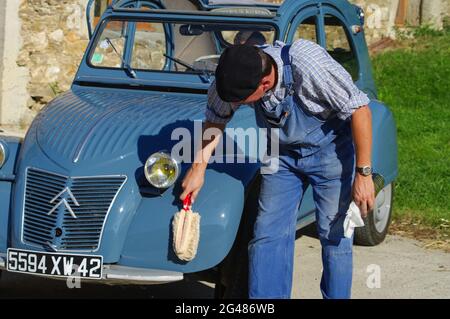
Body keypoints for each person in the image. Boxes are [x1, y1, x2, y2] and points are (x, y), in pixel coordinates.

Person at [180, 39, 375, 299]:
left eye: (243, 100)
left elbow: (360, 109)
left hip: (330, 151)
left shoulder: (308, 63)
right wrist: (197, 170)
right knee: (267, 236)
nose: (238, 105)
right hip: (279, 152)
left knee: (334, 235)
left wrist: (363, 175)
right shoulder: (229, 79)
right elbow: (216, 120)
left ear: (265, 84)